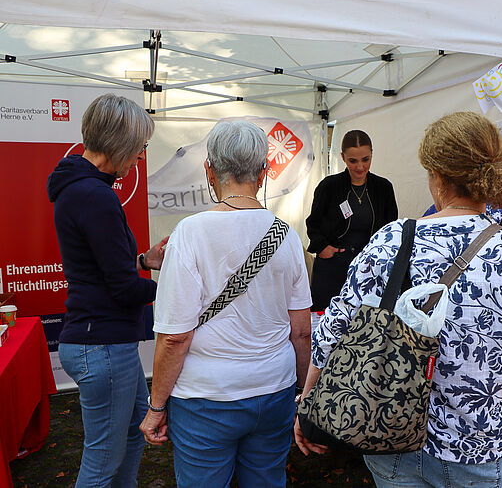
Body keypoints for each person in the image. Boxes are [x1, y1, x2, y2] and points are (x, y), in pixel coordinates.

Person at [295, 112, 502, 487]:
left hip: (389, 434)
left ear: (436, 176)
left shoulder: (391, 239)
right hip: (478, 448)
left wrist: (308, 403)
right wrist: (498, 423)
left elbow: (334, 332)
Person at [139, 121, 312, 488]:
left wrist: (156, 407)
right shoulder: (287, 235)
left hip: (206, 398)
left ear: (210, 170)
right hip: (273, 390)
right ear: (264, 172)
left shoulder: (190, 232)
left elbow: (174, 337)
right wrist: (300, 389)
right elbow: (300, 330)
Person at [47, 93, 167, 487]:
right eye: (139, 147)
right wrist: (181, 285)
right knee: (101, 463)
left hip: (101, 340)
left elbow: (102, 269)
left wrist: (144, 262)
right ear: (120, 143)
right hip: (102, 342)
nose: (139, 158)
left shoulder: (81, 187)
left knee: (132, 437)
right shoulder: (94, 194)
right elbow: (121, 289)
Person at [306, 130, 398, 311]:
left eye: (366, 159)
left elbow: (391, 229)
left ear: (372, 154)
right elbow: (313, 223)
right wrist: (324, 248)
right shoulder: (328, 186)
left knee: (367, 325)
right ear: (343, 157)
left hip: (370, 269)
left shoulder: (383, 187)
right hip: (333, 269)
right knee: (328, 322)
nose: (360, 167)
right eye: (353, 161)